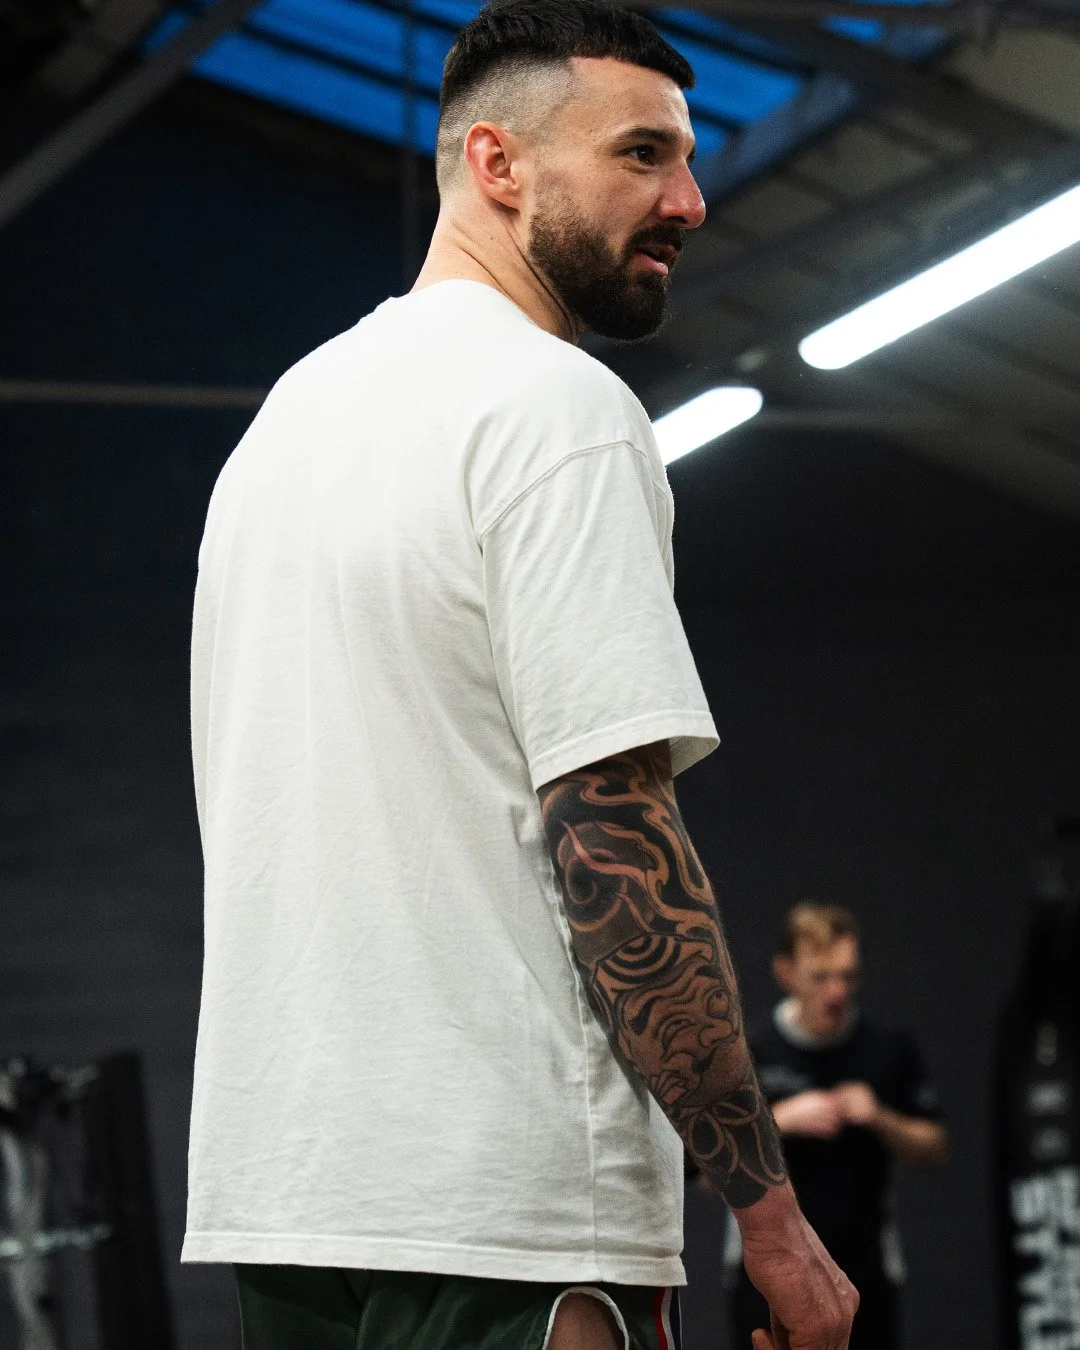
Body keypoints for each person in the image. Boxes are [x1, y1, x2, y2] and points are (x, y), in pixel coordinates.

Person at [182, 2, 858, 1347]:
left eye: (688, 158)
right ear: (499, 163)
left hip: (292, 1206)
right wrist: (769, 1217)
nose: (693, 198)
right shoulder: (558, 410)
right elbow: (615, 838)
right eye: (644, 155)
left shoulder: (281, 431)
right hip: (509, 1212)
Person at [728, 903, 947, 1350]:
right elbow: (707, 1176)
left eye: (847, 976)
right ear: (785, 972)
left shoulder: (887, 1048)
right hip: (769, 1274)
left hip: (866, 1271)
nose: (836, 992)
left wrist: (879, 1117)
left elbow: (936, 1148)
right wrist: (779, 1121)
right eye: (821, 976)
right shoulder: (750, 1051)